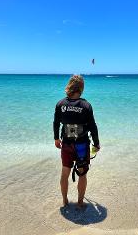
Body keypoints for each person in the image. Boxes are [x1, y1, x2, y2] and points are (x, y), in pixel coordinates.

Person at [53, 74, 100, 207]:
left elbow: (56, 123)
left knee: (65, 173)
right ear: (81, 88)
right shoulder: (86, 106)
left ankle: (64, 201)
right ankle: (80, 203)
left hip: (67, 144)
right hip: (81, 146)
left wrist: (56, 138)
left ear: (69, 86)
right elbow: (93, 127)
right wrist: (96, 143)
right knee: (82, 174)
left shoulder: (61, 104)